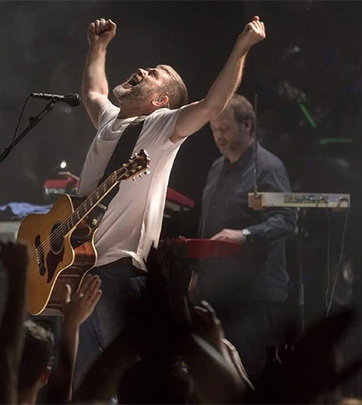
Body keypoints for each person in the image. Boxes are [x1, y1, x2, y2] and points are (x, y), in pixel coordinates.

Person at [76, 16, 267, 384]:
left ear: (160, 100)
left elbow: (211, 105)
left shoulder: (161, 125)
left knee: (131, 381)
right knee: (83, 383)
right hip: (80, 269)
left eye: (155, 74)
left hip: (119, 273)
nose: (143, 70)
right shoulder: (111, 121)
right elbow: (93, 93)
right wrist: (97, 48)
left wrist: (242, 48)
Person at [193, 94, 297, 378]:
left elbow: (287, 219)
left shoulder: (268, 167)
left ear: (248, 125)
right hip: (216, 294)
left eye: (225, 128)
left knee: (249, 375)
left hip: (252, 297)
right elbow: (207, 223)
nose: (218, 136)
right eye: (214, 129)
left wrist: (246, 234)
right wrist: (197, 273)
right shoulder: (217, 168)